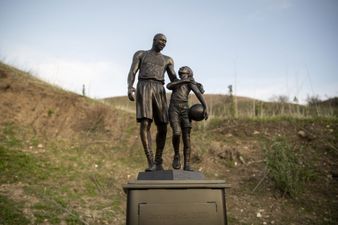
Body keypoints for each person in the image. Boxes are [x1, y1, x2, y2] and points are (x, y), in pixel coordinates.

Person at [127, 33, 178, 171]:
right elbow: (132, 71)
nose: (163, 43)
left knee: (163, 125)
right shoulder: (141, 54)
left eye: (165, 42)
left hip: (159, 89)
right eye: (161, 40)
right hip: (144, 86)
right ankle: (150, 161)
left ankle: (158, 159)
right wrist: (130, 87)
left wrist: (188, 82)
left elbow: (174, 79)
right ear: (154, 40)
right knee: (145, 123)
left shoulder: (167, 60)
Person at [167, 66, 208, 171]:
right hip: (174, 109)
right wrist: (182, 81)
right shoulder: (176, 82)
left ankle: (187, 164)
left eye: (184, 74)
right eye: (180, 74)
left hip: (185, 110)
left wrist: (205, 107)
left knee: (187, 138)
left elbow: (198, 93)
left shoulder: (190, 83)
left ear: (189, 74)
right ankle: (176, 155)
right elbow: (169, 85)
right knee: (176, 132)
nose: (182, 76)